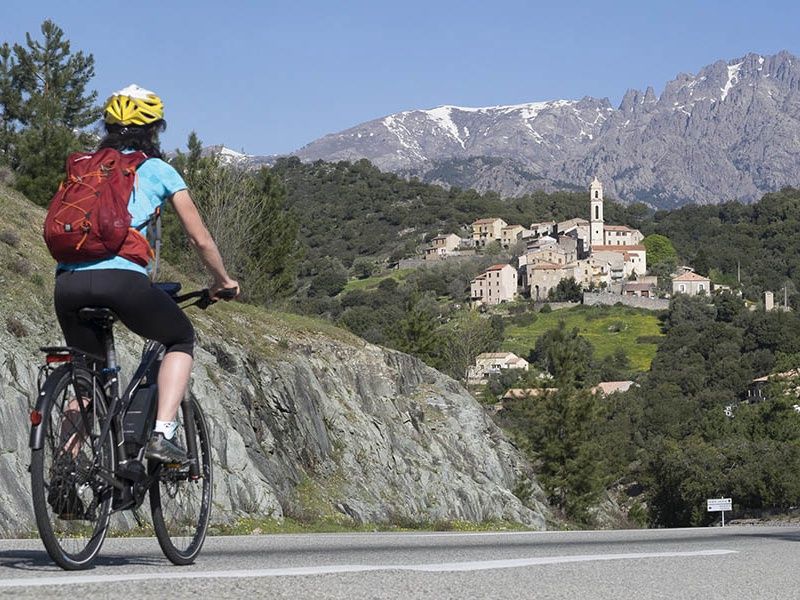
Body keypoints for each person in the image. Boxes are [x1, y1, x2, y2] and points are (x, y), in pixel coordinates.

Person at [53, 84, 239, 464]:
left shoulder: (83, 167)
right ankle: (163, 434)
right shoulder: (156, 169)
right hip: (122, 283)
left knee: (85, 377)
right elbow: (199, 238)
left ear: (107, 126)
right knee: (181, 338)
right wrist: (223, 281)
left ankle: (63, 465)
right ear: (154, 128)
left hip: (67, 284)